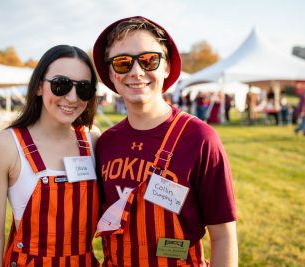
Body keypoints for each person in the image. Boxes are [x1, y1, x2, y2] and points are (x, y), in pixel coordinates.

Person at [93, 16, 237, 266]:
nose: (136, 72)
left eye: (149, 60)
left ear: (167, 67)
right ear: (111, 73)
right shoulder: (105, 144)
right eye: (123, 62)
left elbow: (223, 236)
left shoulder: (200, 138)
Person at [0, 45, 100, 267]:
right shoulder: (6, 145)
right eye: (60, 85)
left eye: (83, 88)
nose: (73, 98)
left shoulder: (93, 141)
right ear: (38, 87)